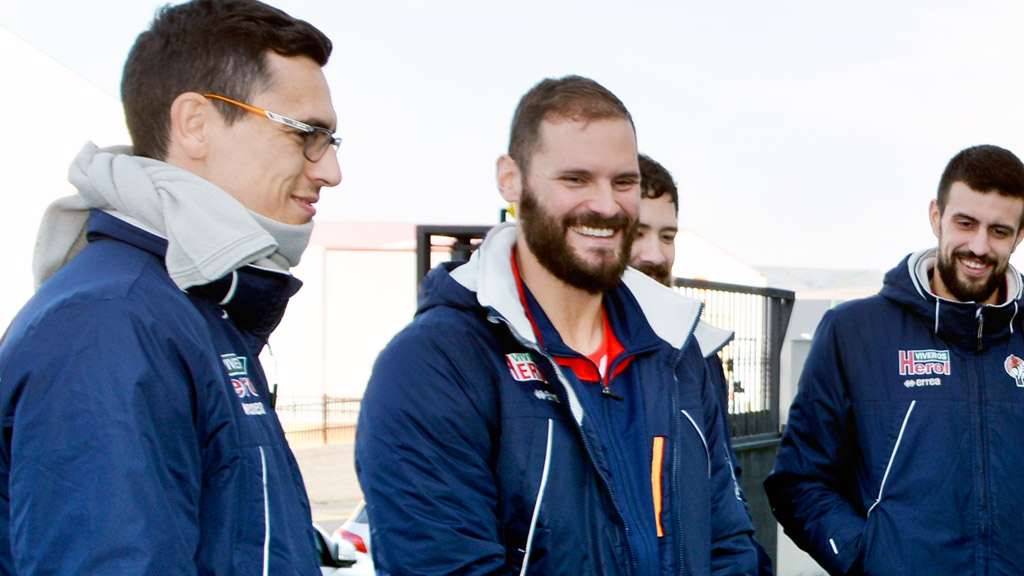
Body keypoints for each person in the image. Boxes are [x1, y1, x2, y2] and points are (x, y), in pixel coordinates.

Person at [355, 75, 758, 575]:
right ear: (511, 179)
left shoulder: (678, 355)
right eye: (576, 179)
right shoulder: (435, 364)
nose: (607, 205)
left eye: (623, 182)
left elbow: (729, 546)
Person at [0, 0, 341, 573]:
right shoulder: (111, 322)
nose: (330, 169)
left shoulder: (189, 307)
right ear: (196, 124)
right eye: (307, 134)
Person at [765, 144, 1024, 575]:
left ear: (1019, 236)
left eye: (999, 231)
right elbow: (799, 482)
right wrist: (867, 557)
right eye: (965, 223)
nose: (979, 246)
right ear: (936, 217)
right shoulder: (854, 331)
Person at [631, 153, 773, 575]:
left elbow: (725, 509)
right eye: (637, 233)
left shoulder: (699, 358)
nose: (655, 255)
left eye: (668, 236)